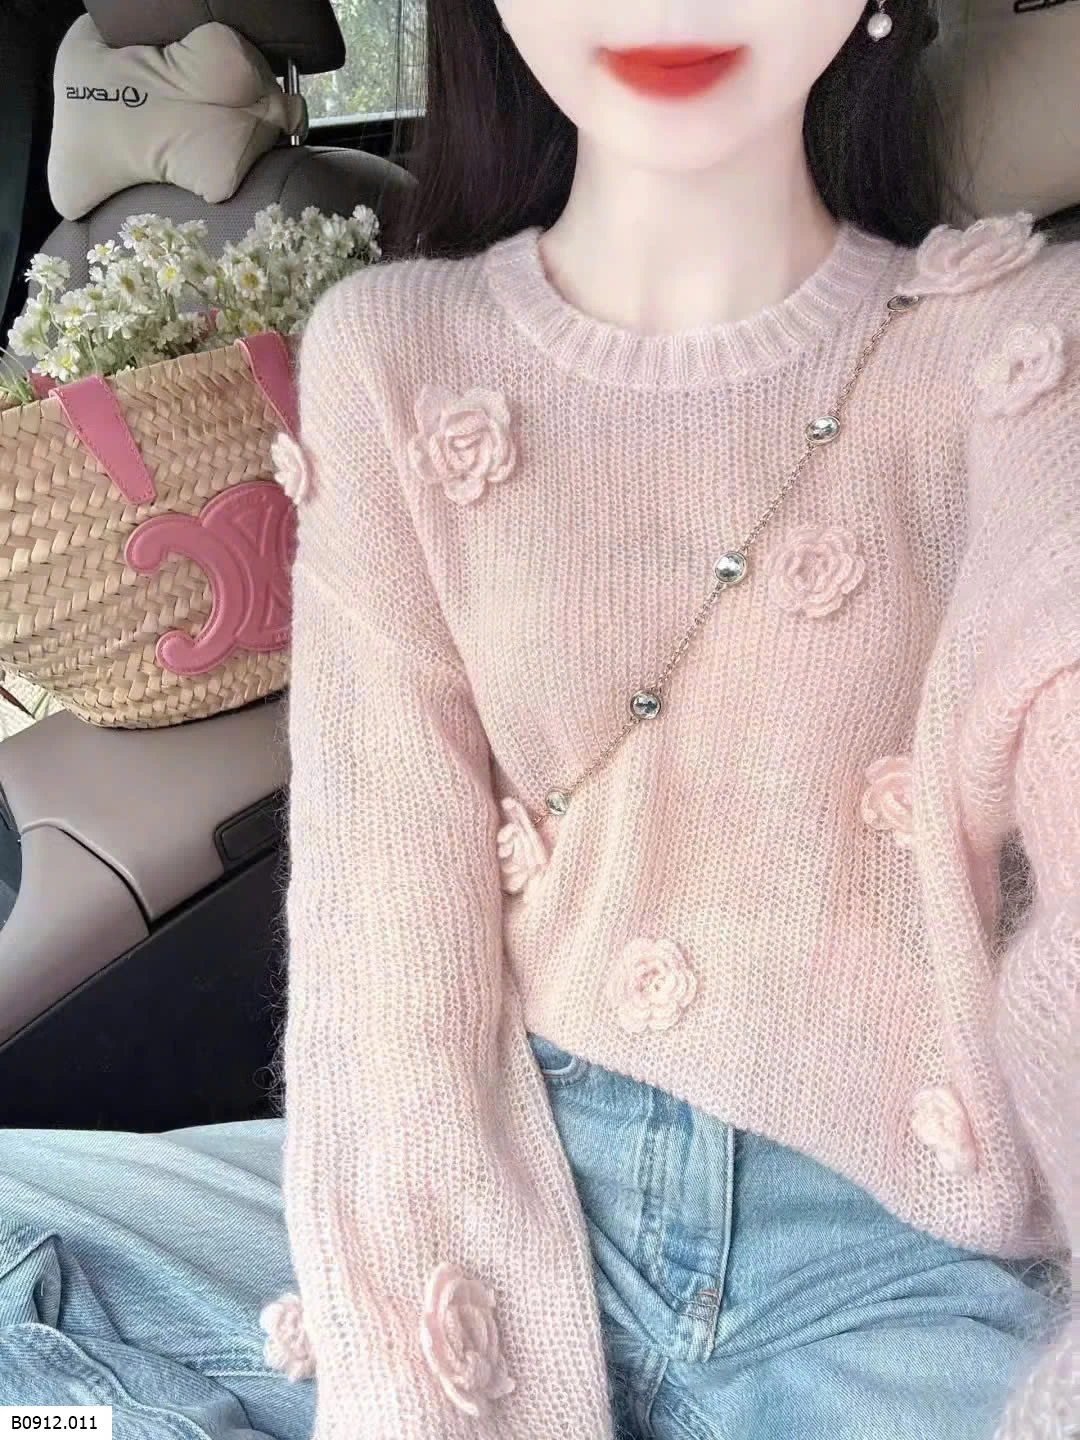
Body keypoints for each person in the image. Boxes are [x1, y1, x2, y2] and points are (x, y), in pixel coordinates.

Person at [0, 1, 1076, 1437]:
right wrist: (428, 1381)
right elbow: (384, 918)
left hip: (892, 1250)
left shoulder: (1019, 349)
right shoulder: (393, 354)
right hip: (503, 1155)